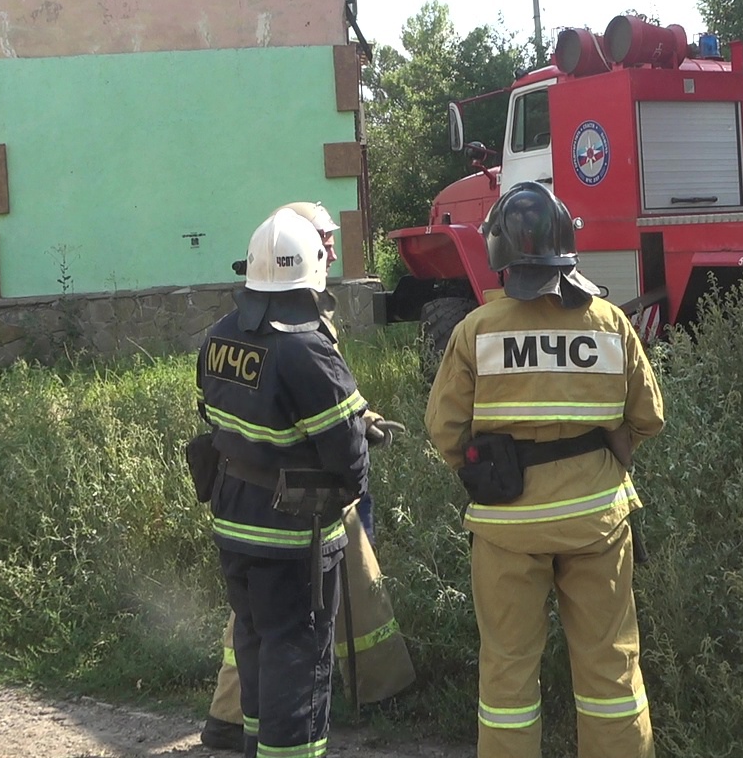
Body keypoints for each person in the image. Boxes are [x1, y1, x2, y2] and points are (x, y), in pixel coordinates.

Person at [425, 181, 665, 758]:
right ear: (566, 247)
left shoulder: (476, 331)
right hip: (597, 521)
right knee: (611, 669)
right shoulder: (609, 322)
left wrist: (488, 474)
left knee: (508, 672)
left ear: (501, 255)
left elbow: (444, 431)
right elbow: (648, 417)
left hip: (506, 527)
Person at [203, 202, 416, 753]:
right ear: (313, 270)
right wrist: (352, 474)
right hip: (292, 540)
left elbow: (223, 419)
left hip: (232, 523)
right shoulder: (308, 349)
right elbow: (347, 458)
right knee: (297, 660)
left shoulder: (220, 336)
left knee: (255, 645)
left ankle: (254, 746)